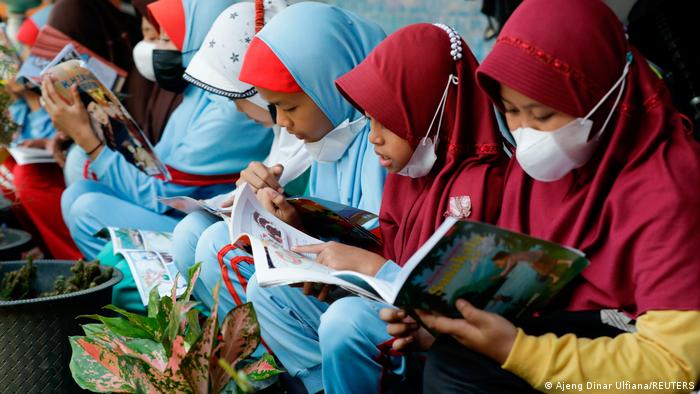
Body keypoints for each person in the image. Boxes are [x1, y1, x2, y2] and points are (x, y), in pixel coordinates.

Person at [382, 1, 700, 392]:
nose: (527, 133)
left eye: (543, 115)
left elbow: (674, 368)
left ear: (605, 94)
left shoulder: (669, 188)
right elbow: (519, 291)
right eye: (512, 112)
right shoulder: (532, 173)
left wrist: (520, 352)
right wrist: (445, 324)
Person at [246, 22, 507, 393]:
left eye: (388, 121)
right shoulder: (409, 173)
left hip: (434, 338)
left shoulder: (484, 184)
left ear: (431, 108)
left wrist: (375, 268)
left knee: (345, 320)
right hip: (386, 306)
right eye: (370, 119)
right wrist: (331, 267)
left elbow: (459, 305)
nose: (374, 137)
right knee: (267, 289)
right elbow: (387, 244)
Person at [47, 0, 274, 260]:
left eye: (170, 37)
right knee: (78, 193)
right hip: (177, 209)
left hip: (198, 224)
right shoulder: (201, 90)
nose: (158, 48)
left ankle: (150, 290)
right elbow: (159, 168)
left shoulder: (232, 111)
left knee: (87, 208)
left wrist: (88, 140)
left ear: (205, 37)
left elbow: (158, 194)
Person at [170, 0, 314, 310]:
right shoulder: (286, 133)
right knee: (190, 233)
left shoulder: (332, 131)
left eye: (238, 94)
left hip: (322, 278)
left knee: (208, 244)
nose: (235, 108)